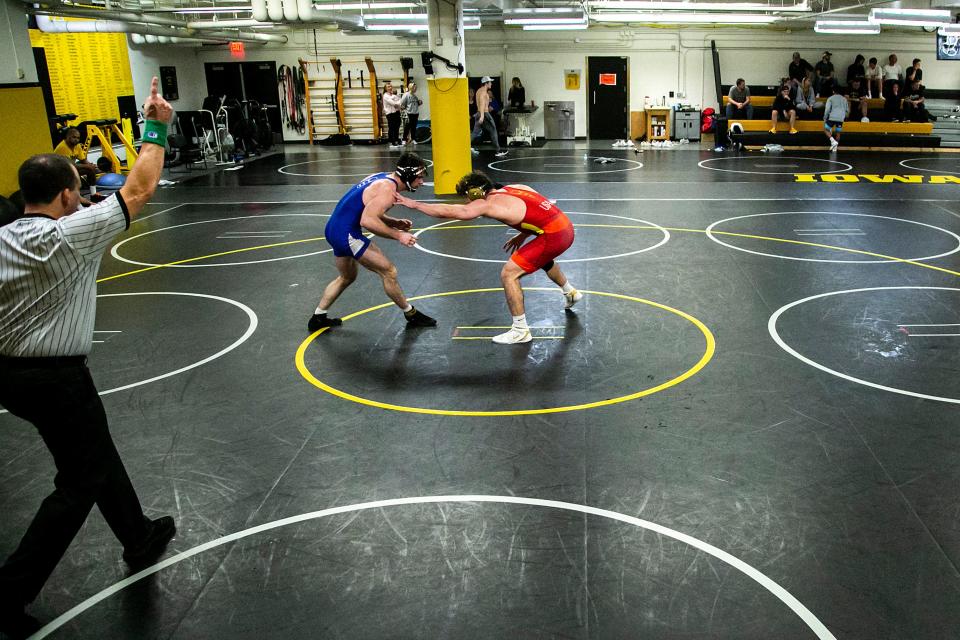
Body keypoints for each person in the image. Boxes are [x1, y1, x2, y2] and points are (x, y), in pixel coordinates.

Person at [0, 77, 176, 639]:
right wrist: (156, 123)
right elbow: (141, 186)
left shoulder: (4, 236)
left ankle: (138, 535)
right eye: (78, 188)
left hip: (11, 376)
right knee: (79, 480)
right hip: (54, 378)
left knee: (93, 451)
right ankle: (7, 597)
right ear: (66, 196)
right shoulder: (69, 236)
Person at [394, 172, 580, 345]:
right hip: (563, 226)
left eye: (467, 197)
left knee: (509, 274)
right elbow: (540, 209)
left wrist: (415, 205)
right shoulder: (517, 188)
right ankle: (570, 292)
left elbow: (452, 212)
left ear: (475, 192)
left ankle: (520, 330)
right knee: (540, 258)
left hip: (554, 236)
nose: (468, 201)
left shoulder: (487, 203)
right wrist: (525, 233)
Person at [308, 152, 436, 333]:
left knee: (347, 277)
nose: (422, 182)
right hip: (347, 234)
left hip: (334, 228)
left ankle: (318, 317)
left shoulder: (381, 177)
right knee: (389, 271)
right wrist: (398, 235)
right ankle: (411, 314)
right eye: (420, 177)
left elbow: (367, 208)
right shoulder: (388, 191)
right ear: (408, 175)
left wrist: (392, 222)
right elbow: (367, 221)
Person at [471, 77, 507, 157]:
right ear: (486, 83)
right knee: (493, 130)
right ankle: (498, 151)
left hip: (479, 113)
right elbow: (482, 104)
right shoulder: (484, 93)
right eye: (490, 82)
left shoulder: (478, 91)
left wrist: (478, 115)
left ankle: (464, 146)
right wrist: (482, 116)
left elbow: (479, 104)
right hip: (485, 114)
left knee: (475, 132)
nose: (491, 84)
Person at [823, 83, 849, 150]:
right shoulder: (844, 99)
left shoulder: (830, 98)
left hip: (832, 117)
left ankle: (833, 141)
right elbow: (847, 110)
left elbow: (827, 109)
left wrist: (825, 117)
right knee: (838, 133)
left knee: (826, 129)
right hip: (841, 118)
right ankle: (835, 148)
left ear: (833, 91)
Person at [382, 81, 403, 148]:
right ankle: (392, 141)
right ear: (385, 88)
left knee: (397, 125)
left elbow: (400, 101)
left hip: (396, 112)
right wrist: (396, 102)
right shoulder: (385, 96)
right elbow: (393, 103)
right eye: (388, 87)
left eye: (391, 86)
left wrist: (397, 102)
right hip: (390, 113)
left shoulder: (394, 95)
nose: (390, 88)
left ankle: (396, 139)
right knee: (392, 127)